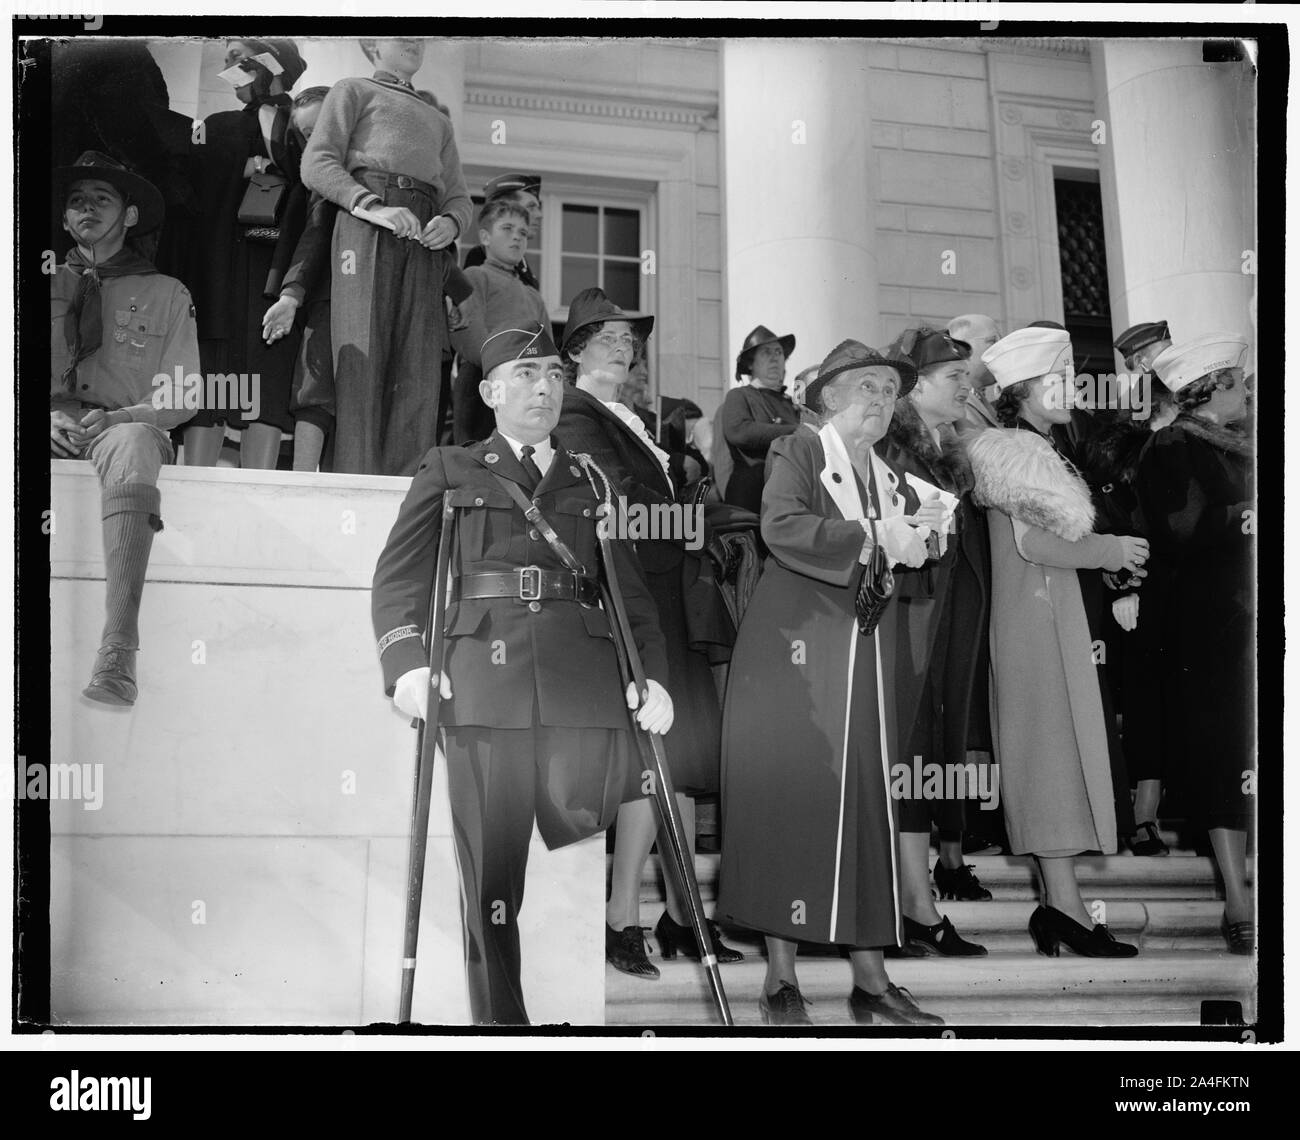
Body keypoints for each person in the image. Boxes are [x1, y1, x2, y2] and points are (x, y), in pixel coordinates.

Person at [371, 323, 674, 1025]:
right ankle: (502, 1024)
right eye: (529, 373)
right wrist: (406, 664)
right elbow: (398, 581)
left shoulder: (592, 477)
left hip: (579, 684)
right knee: (492, 878)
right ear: (491, 390)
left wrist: (651, 676)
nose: (545, 388)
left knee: (587, 810)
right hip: (481, 684)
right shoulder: (451, 467)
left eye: (555, 376)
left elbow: (627, 594)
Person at [716, 339, 949, 1026]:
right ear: (828, 397)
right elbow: (782, 527)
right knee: (791, 798)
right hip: (797, 646)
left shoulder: (888, 469)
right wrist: (875, 536)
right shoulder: (801, 448)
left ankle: (870, 978)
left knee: (867, 805)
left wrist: (931, 534)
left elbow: (926, 532)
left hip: (864, 651)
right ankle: (781, 977)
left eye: (888, 389)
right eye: (867, 388)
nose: (882, 400)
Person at [553, 288, 740, 978]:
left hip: (665, 594)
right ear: (575, 351)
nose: (624, 346)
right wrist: (686, 521)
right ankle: (620, 916)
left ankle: (684, 914)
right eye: (607, 338)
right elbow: (609, 504)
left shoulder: (630, 417)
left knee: (679, 765)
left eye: (629, 339)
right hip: (630, 598)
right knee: (647, 762)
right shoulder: (575, 410)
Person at [967, 327, 1148, 958]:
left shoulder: (1042, 447)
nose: (1073, 387)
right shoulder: (1014, 450)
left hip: (1053, 621)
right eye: (1061, 377)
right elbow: (1035, 543)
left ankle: (1060, 907)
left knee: (1058, 764)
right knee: (1048, 764)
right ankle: (1064, 909)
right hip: (1037, 627)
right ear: (1026, 389)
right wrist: (1109, 550)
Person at [50, 152, 199, 705]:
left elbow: (183, 393)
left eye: (102, 199)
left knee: (136, 443)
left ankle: (118, 650)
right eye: (75, 200)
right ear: (65, 221)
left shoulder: (166, 292)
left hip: (121, 426)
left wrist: (122, 418)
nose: (86, 207)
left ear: (130, 217)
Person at [300, 37, 472, 475]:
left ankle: (404, 498)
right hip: (367, 226)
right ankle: (354, 491)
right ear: (373, 44)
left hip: (424, 239)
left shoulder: (439, 121)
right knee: (363, 361)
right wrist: (372, 206)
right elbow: (317, 164)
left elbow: (459, 197)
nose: (416, 41)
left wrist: (451, 223)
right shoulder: (351, 90)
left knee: (418, 369)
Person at [876, 329, 994, 939]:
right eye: (953, 376)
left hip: (946, 615)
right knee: (911, 751)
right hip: (910, 618)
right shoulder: (890, 450)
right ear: (916, 385)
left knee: (930, 751)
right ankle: (913, 905)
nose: (965, 386)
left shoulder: (949, 451)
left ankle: (919, 898)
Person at [1139, 334, 1255, 954]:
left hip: (1256, 614)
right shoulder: (1173, 442)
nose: (1246, 392)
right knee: (1220, 755)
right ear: (1208, 389)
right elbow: (1179, 526)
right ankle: (1238, 902)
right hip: (1211, 621)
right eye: (1236, 382)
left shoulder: (1247, 443)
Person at [184, 37, 309, 470]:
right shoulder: (217, 127)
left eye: (237, 58)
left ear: (266, 65)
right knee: (213, 374)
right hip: (221, 268)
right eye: (226, 59)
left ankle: (260, 485)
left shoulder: (306, 125)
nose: (229, 68)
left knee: (266, 374)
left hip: (276, 268)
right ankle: (197, 484)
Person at [260, 86, 336, 471]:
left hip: (379, 295)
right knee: (314, 387)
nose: (314, 138)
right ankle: (304, 480)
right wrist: (291, 295)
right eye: (306, 133)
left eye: (321, 125)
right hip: (324, 298)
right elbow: (314, 234)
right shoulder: (316, 180)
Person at [450, 197, 549, 445]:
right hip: (482, 382)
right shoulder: (475, 276)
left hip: (527, 387)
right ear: (485, 237)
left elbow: (547, 348)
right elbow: (470, 336)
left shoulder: (533, 296)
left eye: (523, 233)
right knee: (477, 458)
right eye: (507, 229)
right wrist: (506, 370)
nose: (517, 237)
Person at [717, 325, 802, 512]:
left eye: (778, 352)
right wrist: (797, 432)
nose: (774, 358)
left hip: (793, 496)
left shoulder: (794, 404)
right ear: (750, 363)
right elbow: (739, 432)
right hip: (753, 500)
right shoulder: (739, 395)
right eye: (766, 352)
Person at [463, 172, 542, 291]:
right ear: (507, 208)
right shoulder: (482, 256)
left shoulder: (522, 265)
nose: (539, 214)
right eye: (531, 207)